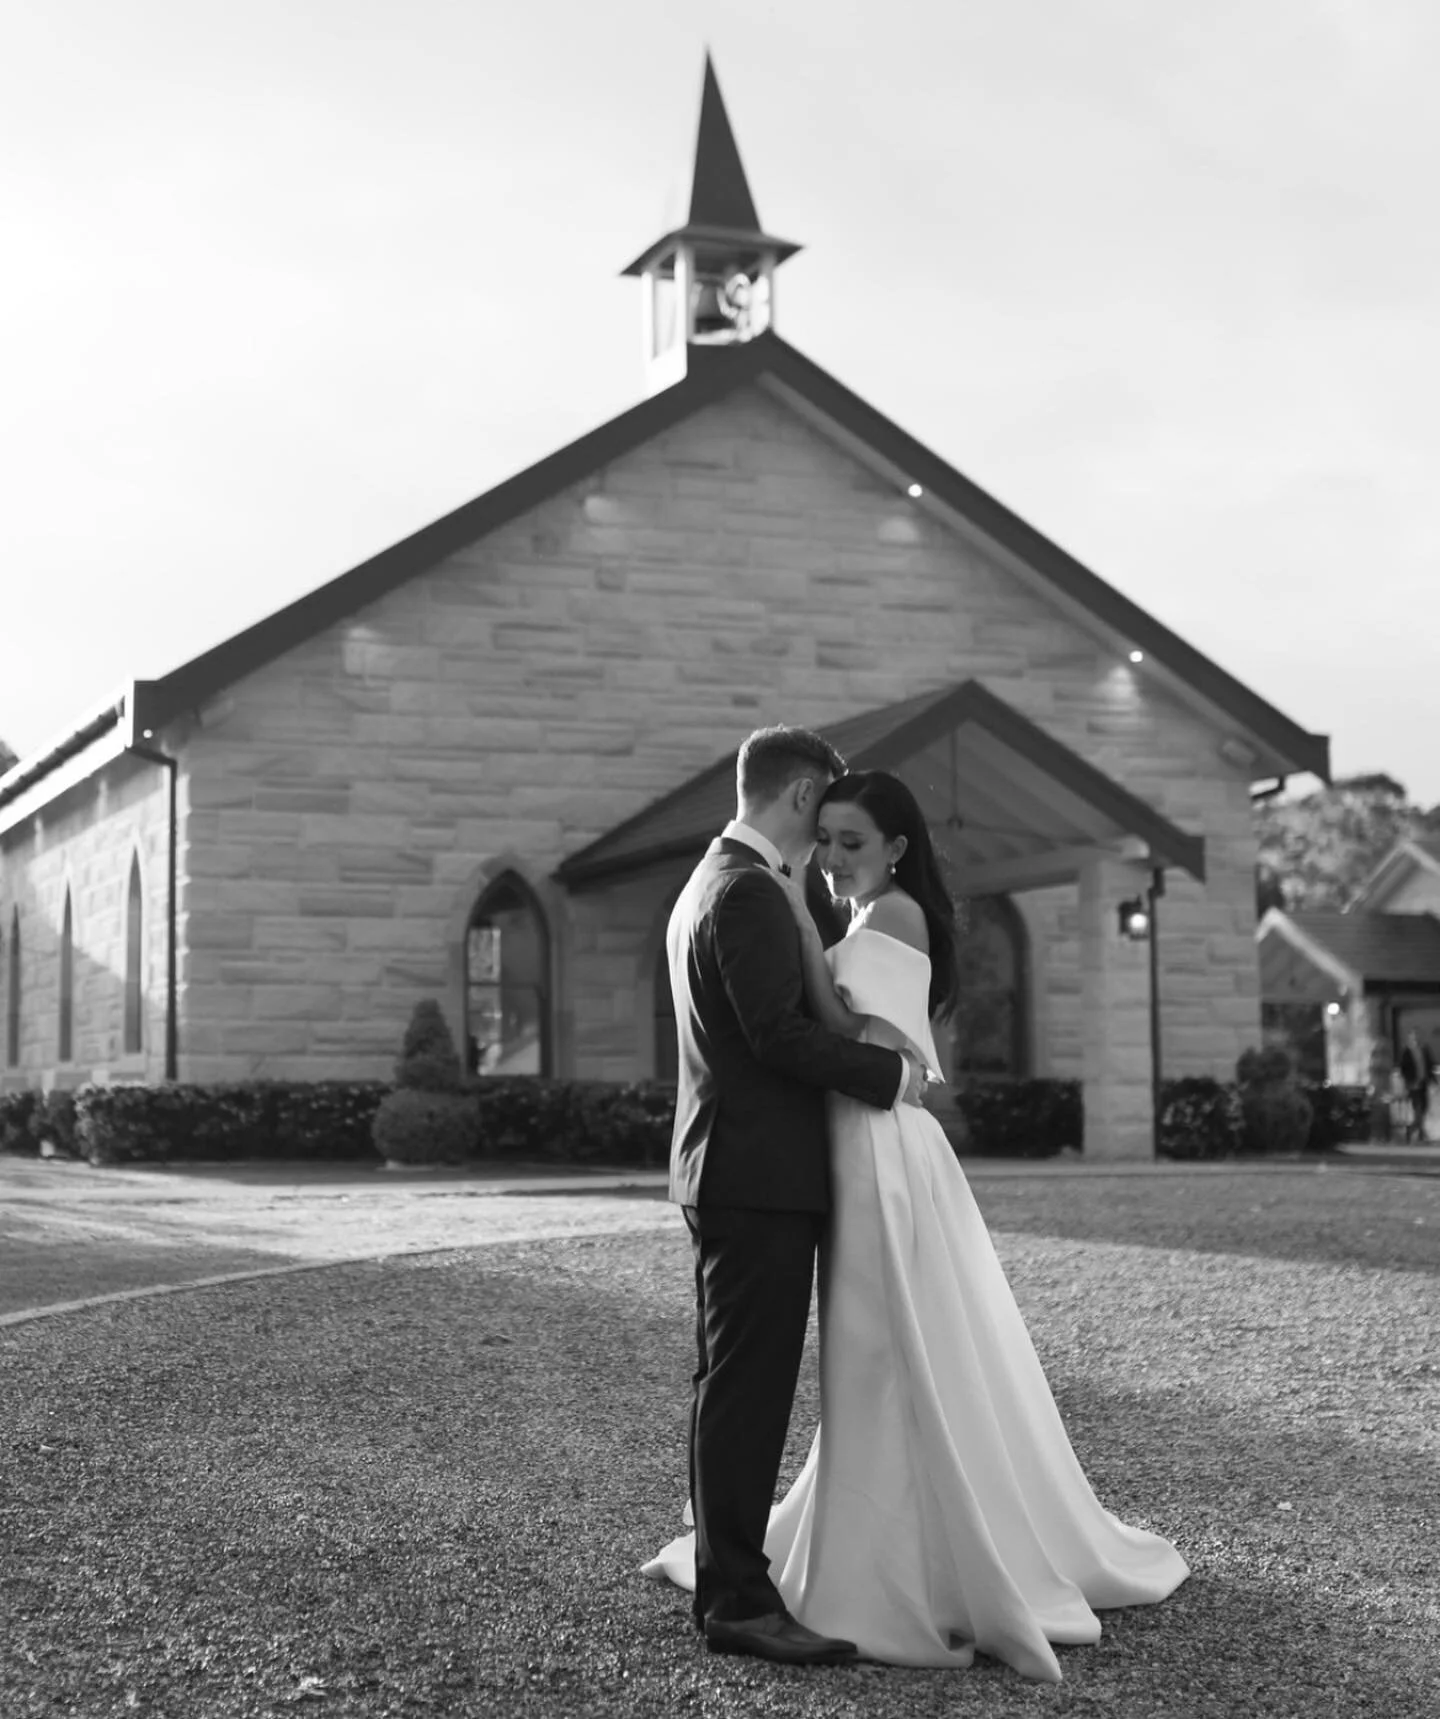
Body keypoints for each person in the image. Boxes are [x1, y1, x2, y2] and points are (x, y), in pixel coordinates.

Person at [645, 768, 1189, 1682]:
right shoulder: (813, 906)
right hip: (841, 1146)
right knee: (868, 1354)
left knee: (897, 1348)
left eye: (851, 842)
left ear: (897, 848)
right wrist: (814, 939)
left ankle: (912, 1554)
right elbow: (823, 1038)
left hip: (878, 1151)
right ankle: (835, 1549)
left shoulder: (890, 915)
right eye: (826, 840)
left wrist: (811, 942)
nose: (830, 858)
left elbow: (853, 1030)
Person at [642, 728, 928, 1667]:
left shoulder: (712, 880)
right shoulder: (750, 890)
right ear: (804, 794)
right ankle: (736, 1601)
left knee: (731, 1382)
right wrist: (888, 1074)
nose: (832, 837)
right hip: (754, 1175)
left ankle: (731, 1575)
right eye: (830, 809)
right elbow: (775, 1036)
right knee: (746, 1390)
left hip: (732, 1169)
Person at [1398, 1029, 1437, 1143]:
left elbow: (1430, 1066)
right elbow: (1403, 1069)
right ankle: (1412, 1131)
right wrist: (1408, 1082)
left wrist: (1434, 1081)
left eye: (1418, 1036)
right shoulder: (1406, 1052)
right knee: (1418, 1110)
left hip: (1423, 1084)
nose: (1416, 1039)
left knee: (1424, 1108)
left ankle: (1420, 1133)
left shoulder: (1424, 1050)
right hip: (1413, 1085)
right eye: (1414, 1037)